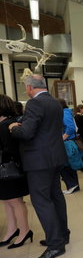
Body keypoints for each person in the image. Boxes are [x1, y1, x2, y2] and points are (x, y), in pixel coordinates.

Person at [9, 74, 69, 258]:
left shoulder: (34, 104)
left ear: (28, 88)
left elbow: (26, 132)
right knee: (55, 196)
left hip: (39, 161)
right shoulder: (55, 103)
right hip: (55, 157)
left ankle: (55, 245)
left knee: (41, 200)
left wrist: (13, 128)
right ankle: (62, 235)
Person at [0, 94, 31, 249]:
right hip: (6, 169)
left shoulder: (7, 124)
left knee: (14, 201)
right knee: (6, 200)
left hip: (10, 169)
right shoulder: (8, 123)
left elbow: (10, 149)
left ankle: (24, 230)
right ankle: (12, 229)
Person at [58, 99, 81, 195]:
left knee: (65, 165)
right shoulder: (66, 112)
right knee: (69, 165)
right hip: (68, 142)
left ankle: (72, 185)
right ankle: (73, 185)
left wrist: (62, 139)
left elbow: (71, 128)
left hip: (66, 143)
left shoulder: (64, 113)